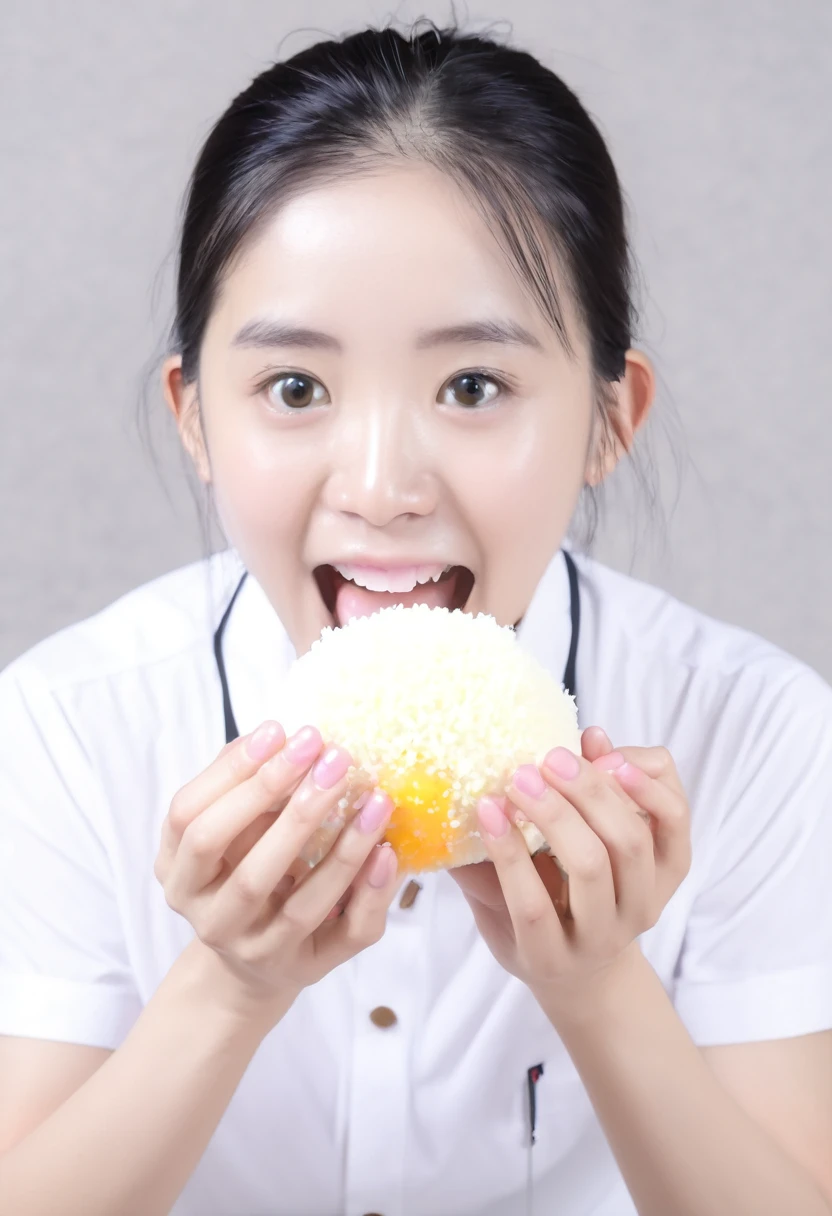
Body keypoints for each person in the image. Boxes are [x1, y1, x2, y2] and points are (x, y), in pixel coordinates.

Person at [0, 17, 830, 1216]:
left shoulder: (751, 734)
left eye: (472, 386)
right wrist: (230, 982)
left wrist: (601, 985)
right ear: (195, 420)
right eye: (295, 389)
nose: (382, 483)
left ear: (610, 418)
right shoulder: (65, 730)